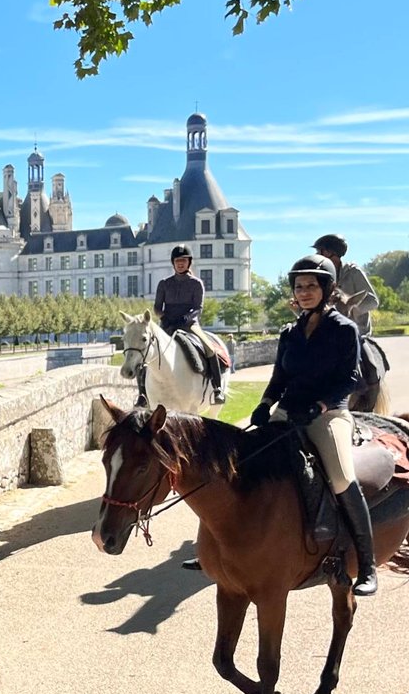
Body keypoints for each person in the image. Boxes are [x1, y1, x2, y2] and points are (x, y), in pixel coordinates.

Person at [251, 254, 378, 597]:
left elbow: (349, 380)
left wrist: (319, 406)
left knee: (340, 477)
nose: (304, 291)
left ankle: (367, 564)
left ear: (327, 288)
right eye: (299, 286)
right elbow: (279, 377)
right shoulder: (289, 332)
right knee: (248, 460)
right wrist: (264, 405)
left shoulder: (344, 329)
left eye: (311, 285)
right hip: (288, 411)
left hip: (328, 414)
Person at [153, 246, 225, 404]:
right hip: (168, 324)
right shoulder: (164, 284)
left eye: (183, 261)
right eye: (178, 261)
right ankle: (142, 393)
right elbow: (157, 308)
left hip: (189, 324)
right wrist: (164, 317)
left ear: (189, 262)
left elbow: (198, 308)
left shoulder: (196, 283)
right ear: (173, 263)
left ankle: (217, 389)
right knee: (148, 352)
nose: (180, 264)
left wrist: (186, 318)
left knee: (210, 350)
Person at [311, 233, 378, 337]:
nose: (316, 255)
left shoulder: (353, 272)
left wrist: (349, 309)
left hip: (358, 334)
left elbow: (373, 302)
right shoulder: (321, 276)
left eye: (319, 251)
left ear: (329, 252)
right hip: (331, 335)